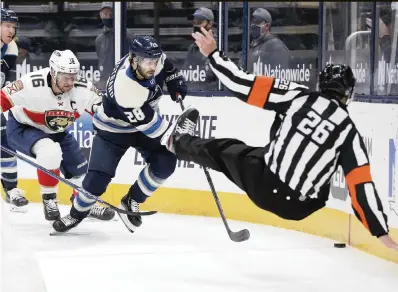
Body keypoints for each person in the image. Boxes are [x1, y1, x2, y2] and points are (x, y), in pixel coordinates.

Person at [161, 27, 398, 251]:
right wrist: (381, 232)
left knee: (224, 149)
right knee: (318, 164)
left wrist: (213, 54)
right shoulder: (349, 133)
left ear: (320, 84)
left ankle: (179, 142)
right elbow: (360, 186)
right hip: (301, 207)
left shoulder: (298, 96)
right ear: (349, 95)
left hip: (264, 182)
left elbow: (241, 84)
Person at [52, 36, 189, 233]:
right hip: (112, 130)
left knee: (166, 162)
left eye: (154, 62)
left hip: (140, 123)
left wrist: (173, 76)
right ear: (134, 60)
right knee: (96, 181)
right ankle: (75, 214)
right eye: (147, 63)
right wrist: (181, 136)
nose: (152, 67)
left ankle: (132, 200)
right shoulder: (125, 88)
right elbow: (154, 128)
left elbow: (165, 63)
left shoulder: (148, 59)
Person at [0, 49, 115, 221]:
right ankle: (49, 199)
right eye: (65, 77)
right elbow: (2, 98)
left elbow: (104, 112)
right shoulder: (31, 84)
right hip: (23, 128)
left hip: (56, 131)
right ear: (53, 72)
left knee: (80, 171)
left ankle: (83, 204)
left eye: (73, 76)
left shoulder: (83, 89)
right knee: (50, 152)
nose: (70, 82)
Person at [1, 8, 28, 210]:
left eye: (13, 26)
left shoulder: (10, 48)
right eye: (7, 25)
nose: (11, 30)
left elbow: (4, 79)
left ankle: (11, 189)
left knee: (6, 137)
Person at [241, 8, 289, 74]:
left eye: (257, 22)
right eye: (252, 22)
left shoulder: (276, 46)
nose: (253, 25)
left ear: (267, 26)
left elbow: (280, 75)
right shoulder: (252, 45)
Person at [183, 7, 217, 90]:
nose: (196, 25)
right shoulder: (192, 48)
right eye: (195, 22)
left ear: (210, 24)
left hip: (212, 94)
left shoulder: (218, 46)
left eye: (200, 22)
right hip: (193, 92)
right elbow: (185, 71)